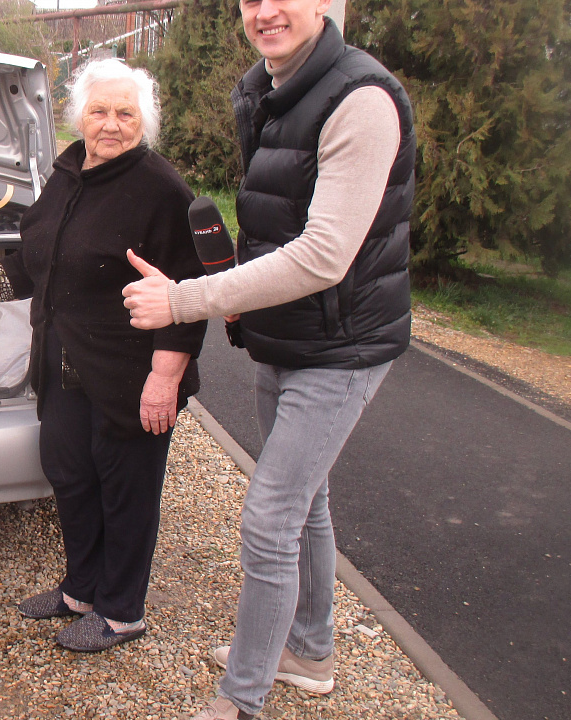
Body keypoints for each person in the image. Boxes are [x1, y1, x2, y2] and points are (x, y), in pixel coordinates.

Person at [121, 1, 415, 717]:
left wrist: (187, 299)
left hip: (344, 347)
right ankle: (309, 651)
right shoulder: (268, 86)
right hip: (285, 335)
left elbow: (323, 253)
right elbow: (276, 215)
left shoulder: (362, 99)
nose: (266, 10)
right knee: (305, 501)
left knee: (270, 517)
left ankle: (241, 700)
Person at [0, 58, 207, 653]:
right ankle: (81, 591)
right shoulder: (68, 173)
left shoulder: (163, 191)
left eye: (125, 113)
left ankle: (122, 611)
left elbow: (191, 293)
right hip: (61, 363)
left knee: (125, 491)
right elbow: (36, 260)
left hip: (130, 372)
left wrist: (166, 379)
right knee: (71, 478)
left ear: (144, 123)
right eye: (99, 111)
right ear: (78, 115)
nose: (110, 125)